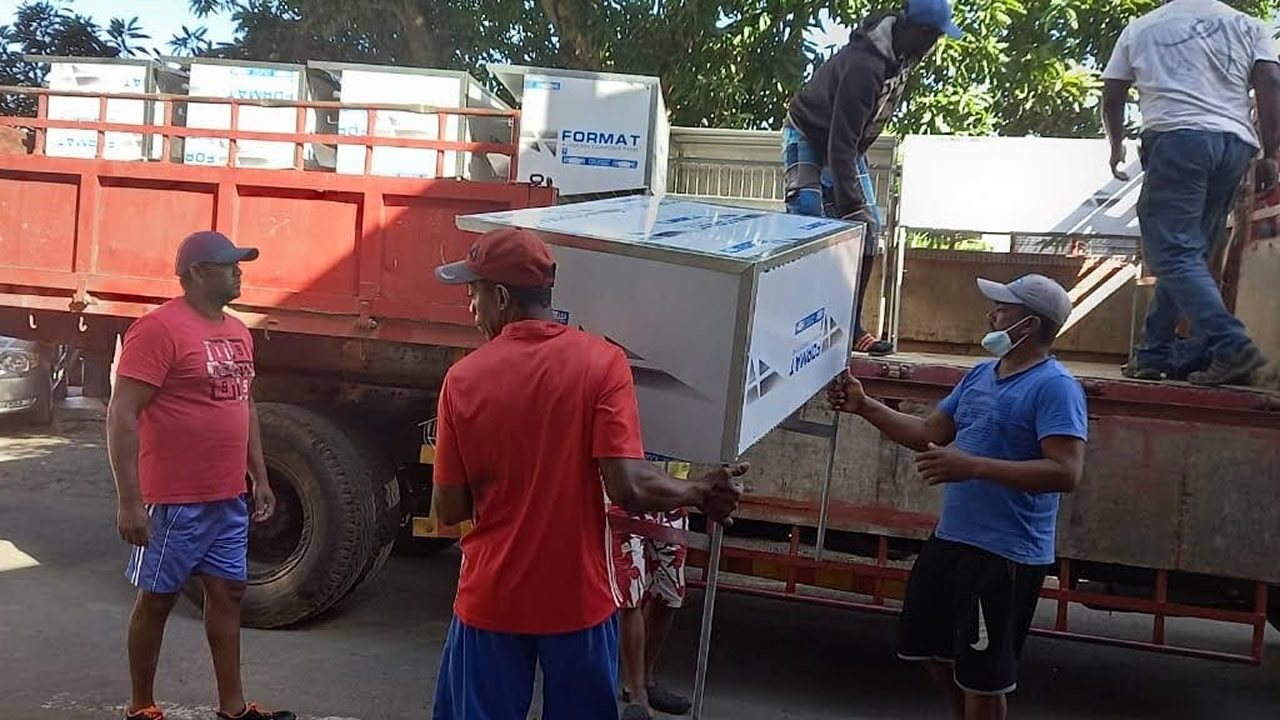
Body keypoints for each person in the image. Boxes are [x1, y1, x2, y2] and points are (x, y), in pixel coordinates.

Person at [428, 227, 747, 720]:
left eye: (474, 293)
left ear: (503, 297)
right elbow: (629, 485)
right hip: (578, 600)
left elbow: (449, 510)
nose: (470, 307)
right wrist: (699, 490)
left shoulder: (463, 380)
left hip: (491, 601)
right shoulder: (602, 364)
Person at [827, 274, 1088, 720]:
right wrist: (866, 405)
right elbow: (929, 433)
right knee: (929, 649)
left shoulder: (1055, 387)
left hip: (1004, 554)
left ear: (1029, 324)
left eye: (1003, 309)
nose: (992, 315)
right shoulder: (982, 375)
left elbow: (1066, 472)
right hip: (954, 539)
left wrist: (973, 466)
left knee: (983, 675)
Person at [107, 231, 293, 720]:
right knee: (157, 599)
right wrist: (129, 500)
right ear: (195, 274)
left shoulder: (238, 331)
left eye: (240, 264)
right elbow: (122, 414)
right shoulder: (157, 330)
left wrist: (260, 475)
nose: (239, 272)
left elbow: (244, 403)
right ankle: (141, 707)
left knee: (229, 593)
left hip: (226, 497)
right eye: (228, 264)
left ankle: (233, 709)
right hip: (174, 500)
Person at [1102, 0, 1280, 386]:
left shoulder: (1141, 28)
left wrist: (1115, 145)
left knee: (1171, 252)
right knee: (1188, 254)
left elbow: (1113, 93)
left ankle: (1232, 347)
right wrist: (1271, 153)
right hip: (1233, 145)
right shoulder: (1247, 25)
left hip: (1177, 138)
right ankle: (1153, 353)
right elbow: (1269, 81)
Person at [783, 0, 962, 356]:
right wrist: (849, 204)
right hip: (808, 133)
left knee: (868, 231)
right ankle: (800, 325)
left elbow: (847, 142)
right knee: (807, 225)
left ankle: (850, 327)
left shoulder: (901, 56)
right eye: (932, 37)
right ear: (915, 31)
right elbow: (840, 140)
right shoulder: (865, 66)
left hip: (847, 146)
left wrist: (854, 213)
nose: (934, 46)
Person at [611, 457, 694, 719]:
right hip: (629, 487)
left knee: (669, 593)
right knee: (631, 594)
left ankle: (646, 679)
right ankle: (636, 692)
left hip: (672, 491)